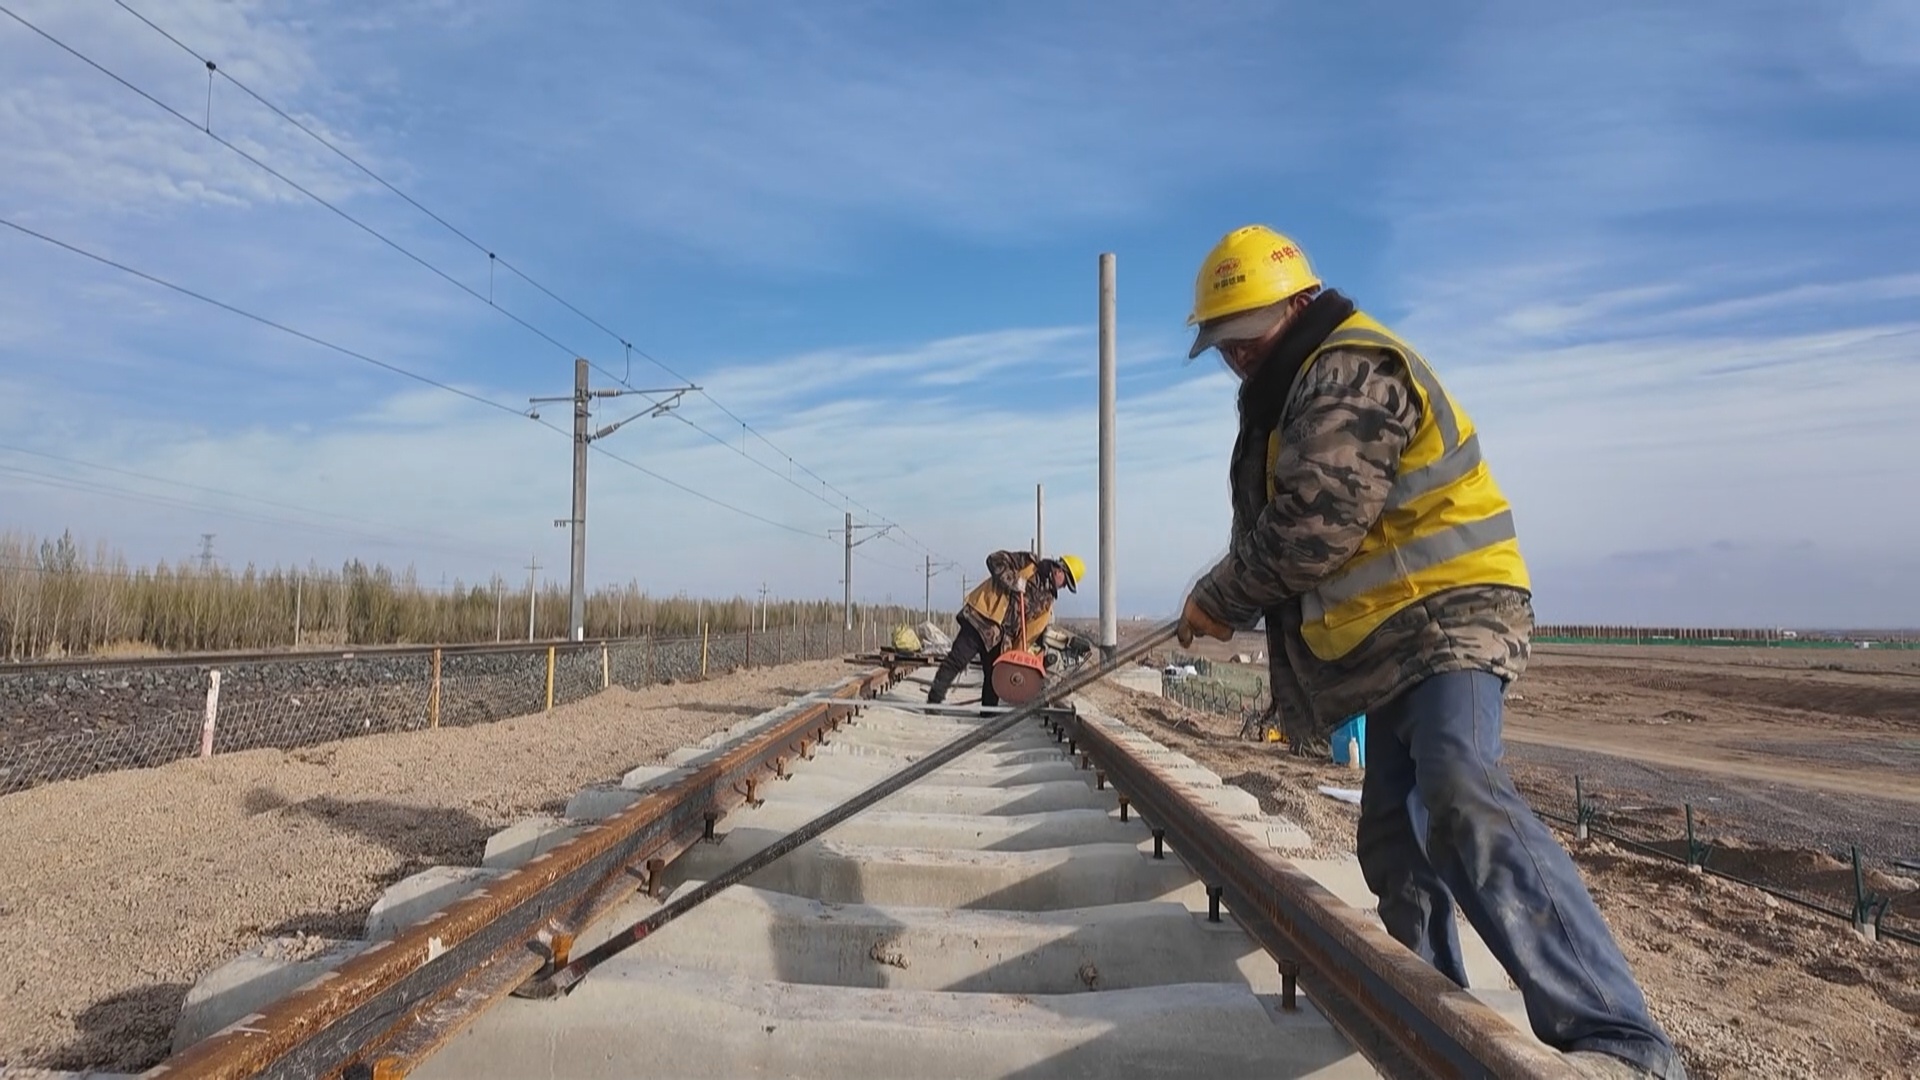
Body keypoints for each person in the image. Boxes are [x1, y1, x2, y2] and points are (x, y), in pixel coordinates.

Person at [1174, 225, 1685, 1080]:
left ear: (1295, 307)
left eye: (1244, 339)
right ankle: (1433, 1024)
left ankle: (1621, 1043)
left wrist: (1219, 597)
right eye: (1223, 346)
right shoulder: (1291, 386)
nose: (1234, 360)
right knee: (1391, 839)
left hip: (1453, 611)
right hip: (1394, 636)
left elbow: (1313, 526)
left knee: (1459, 787)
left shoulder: (1348, 369)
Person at [925, 550, 1083, 708]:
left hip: (1002, 638)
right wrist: (1014, 581)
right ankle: (933, 702)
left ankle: (988, 715)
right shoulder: (1028, 563)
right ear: (1059, 570)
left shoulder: (1046, 603)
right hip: (981, 620)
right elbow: (994, 560)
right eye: (1065, 582)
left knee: (995, 676)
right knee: (956, 660)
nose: (1062, 587)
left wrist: (1018, 658)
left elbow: (1029, 634)